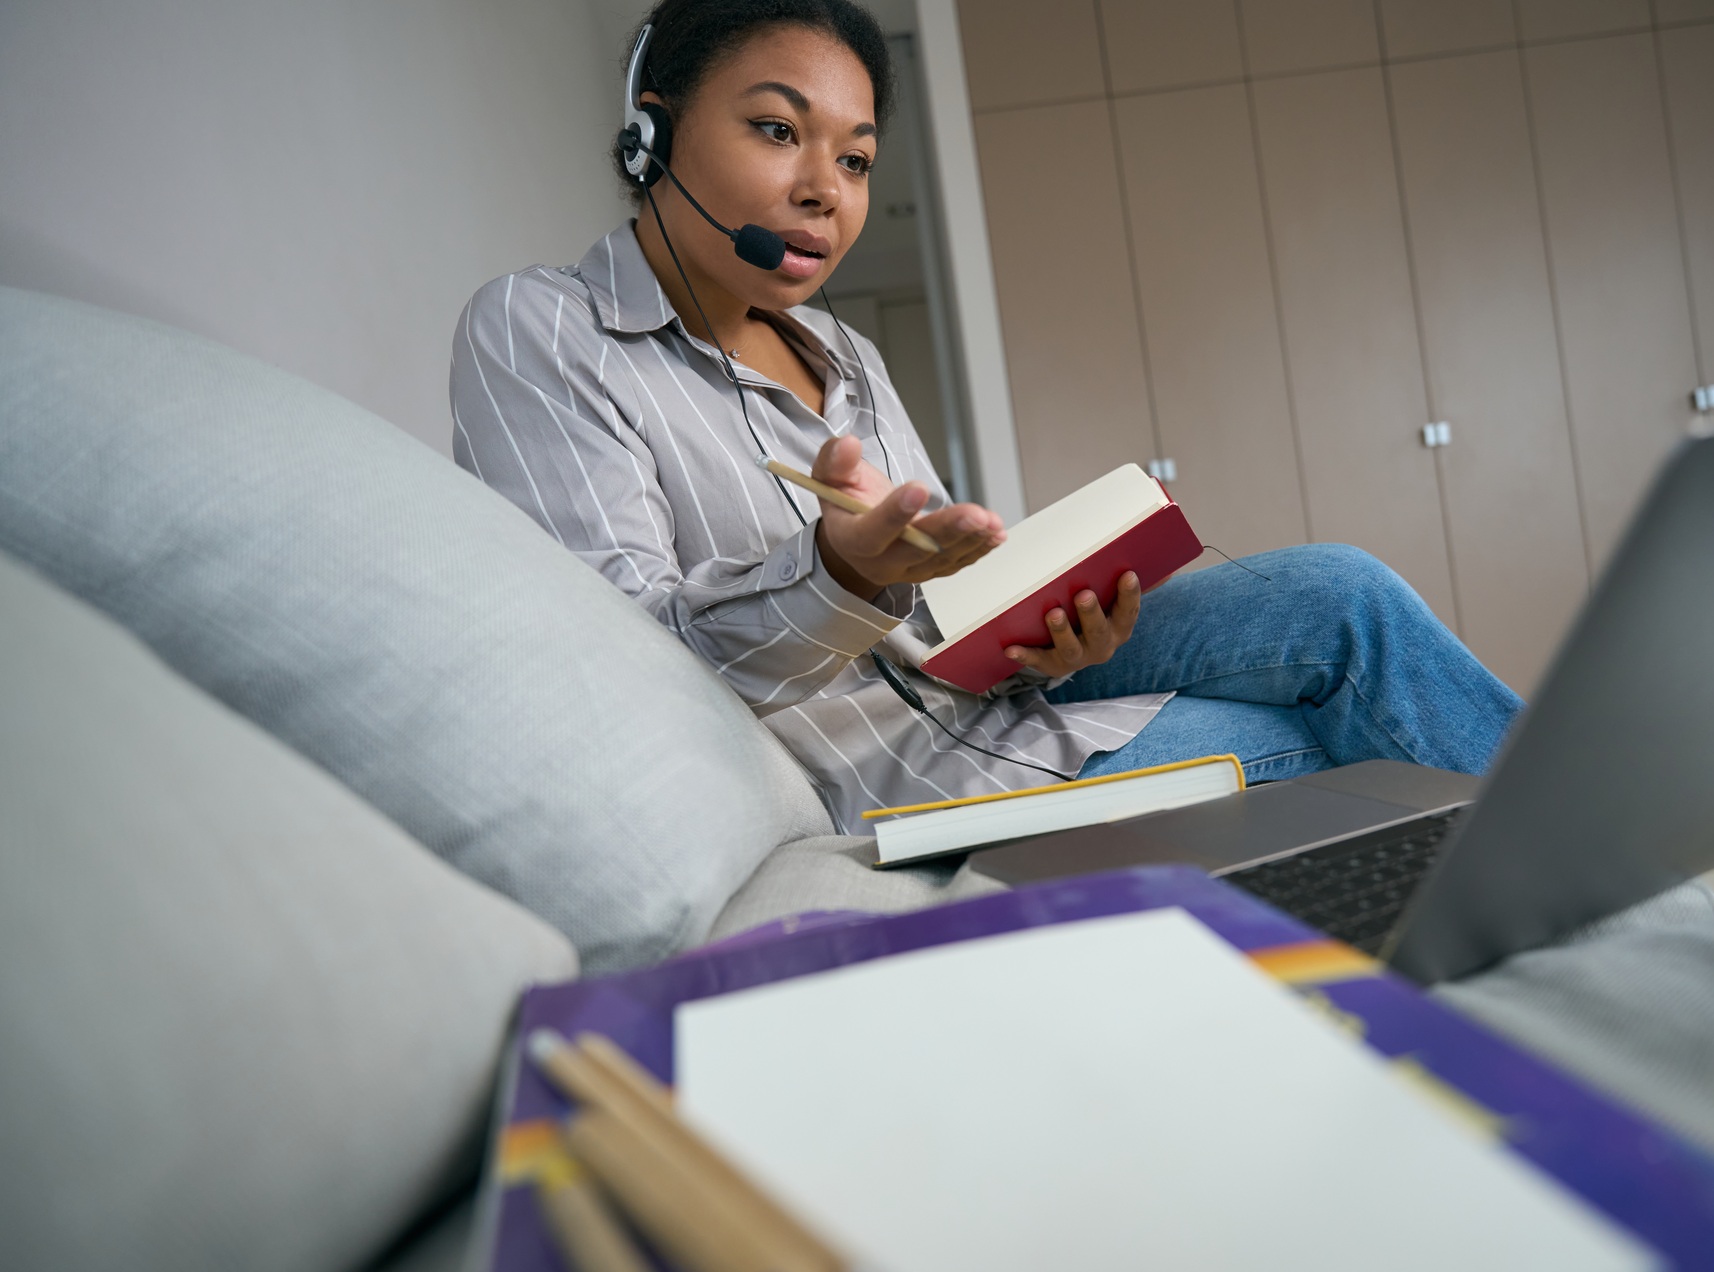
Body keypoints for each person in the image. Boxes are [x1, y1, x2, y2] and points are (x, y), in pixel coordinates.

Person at [449, 0, 1521, 834]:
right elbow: (625, 662)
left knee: (1342, 593)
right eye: (778, 130)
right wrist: (838, 574)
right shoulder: (541, 329)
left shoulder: (845, 354)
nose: (827, 190)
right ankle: (1617, 904)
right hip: (900, 769)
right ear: (652, 135)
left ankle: (1616, 862)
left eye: (857, 159)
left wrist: (1046, 639)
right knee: (1321, 735)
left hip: (987, 695)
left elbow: (942, 611)